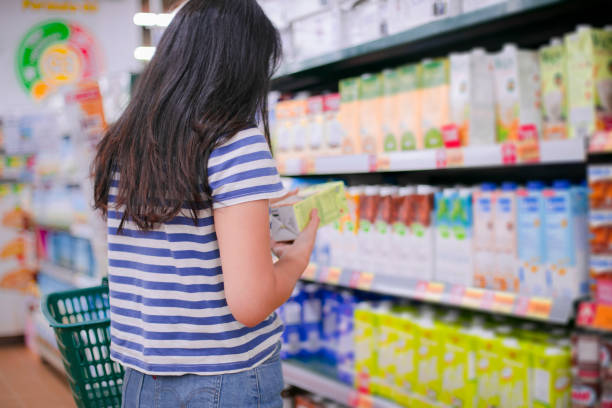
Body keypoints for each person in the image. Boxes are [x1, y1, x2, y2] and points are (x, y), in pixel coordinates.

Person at [92, 1, 319, 406]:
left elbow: (174, 250)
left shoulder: (123, 144)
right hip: (224, 380)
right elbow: (249, 303)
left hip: (141, 380)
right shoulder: (236, 143)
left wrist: (255, 228)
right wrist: (295, 260)